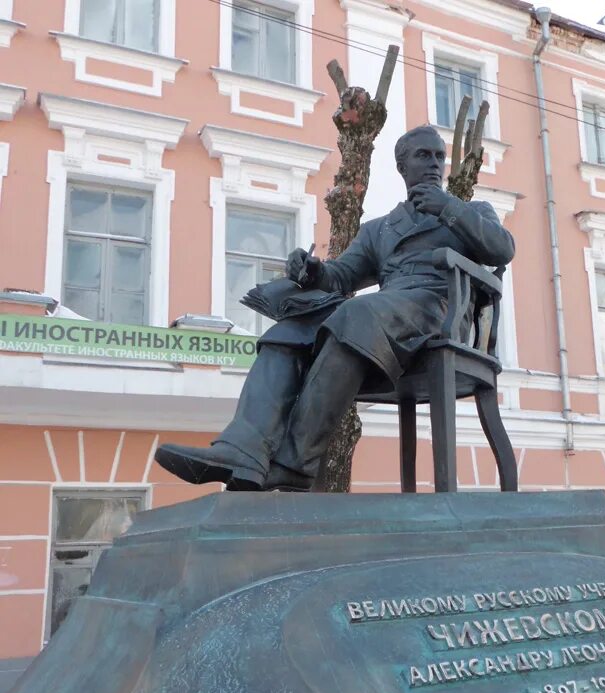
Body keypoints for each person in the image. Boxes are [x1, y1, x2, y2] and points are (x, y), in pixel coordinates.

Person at [155, 125, 515, 492]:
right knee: (289, 329)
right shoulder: (380, 229)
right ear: (402, 166)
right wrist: (312, 271)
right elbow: (342, 276)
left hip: (437, 312)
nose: (435, 164)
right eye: (424, 156)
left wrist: (450, 208)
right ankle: (242, 450)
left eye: (439, 156)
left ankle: (294, 464)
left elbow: (502, 249)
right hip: (384, 319)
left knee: (355, 314)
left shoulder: (471, 211)